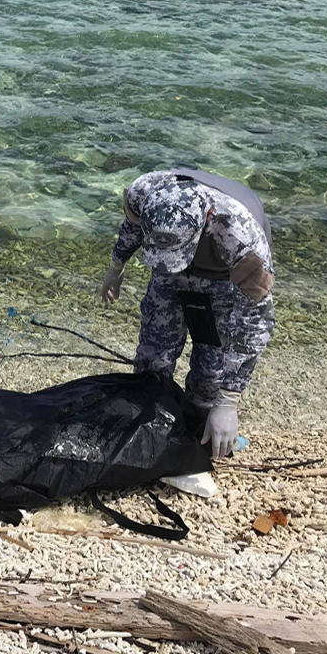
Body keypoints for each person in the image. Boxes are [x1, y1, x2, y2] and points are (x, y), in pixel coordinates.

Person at [100, 168, 275, 459]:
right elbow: (131, 229)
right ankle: (150, 426)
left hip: (222, 275)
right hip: (169, 267)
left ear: (207, 219)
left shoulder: (243, 238)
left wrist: (229, 400)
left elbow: (255, 321)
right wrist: (115, 267)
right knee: (152, 358)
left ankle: (199, 432)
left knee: (210, 373)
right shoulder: (142, 192)